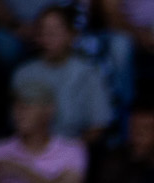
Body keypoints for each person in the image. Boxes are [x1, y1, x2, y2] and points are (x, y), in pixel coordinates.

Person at [11, 7, 112, 142]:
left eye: (54, 32)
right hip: (30, 150)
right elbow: (15, 123)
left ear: (72, 35)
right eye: (43, 32)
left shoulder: (88, 73)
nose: (48, 38)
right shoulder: (23, 74)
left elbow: (99, 124)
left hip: (73, 151)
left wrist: (68, 154)